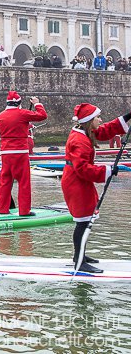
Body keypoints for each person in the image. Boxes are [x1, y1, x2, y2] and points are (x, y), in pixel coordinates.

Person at [62, 104, 131, 273]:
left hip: (79, 180)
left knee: (86, 219)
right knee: (82, 221)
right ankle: (79, 260)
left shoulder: (85, 131)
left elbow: (105, 130)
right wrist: (107, 171)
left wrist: (127, 116)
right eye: (98, 117)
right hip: (75, 182)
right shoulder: (79, 140)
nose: (100, 120)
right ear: (89, 120)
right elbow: (83, 169)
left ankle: (81, 255)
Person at [0, 91, 47, 216]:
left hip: (5, 153)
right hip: (20, 152)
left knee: (5, 181)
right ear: (19, 103)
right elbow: (42, 115)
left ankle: (2, 209)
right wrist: (37, 104)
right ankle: (24, 211)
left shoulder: (1, 116)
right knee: (23, 181)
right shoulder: (22, 113)